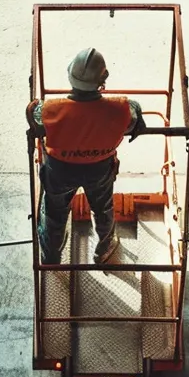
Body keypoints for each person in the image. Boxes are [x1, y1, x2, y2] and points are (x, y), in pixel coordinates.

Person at [28, 48, 145, 265]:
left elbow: (34, 118)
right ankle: (104, 248)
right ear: (102, 81)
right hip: (99, 170)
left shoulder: (48, 110)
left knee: (54, 212)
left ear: (70, 76)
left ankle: (51, 256)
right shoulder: (120, 109)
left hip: (59, 171)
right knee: (103, 208)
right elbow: (134, 113)